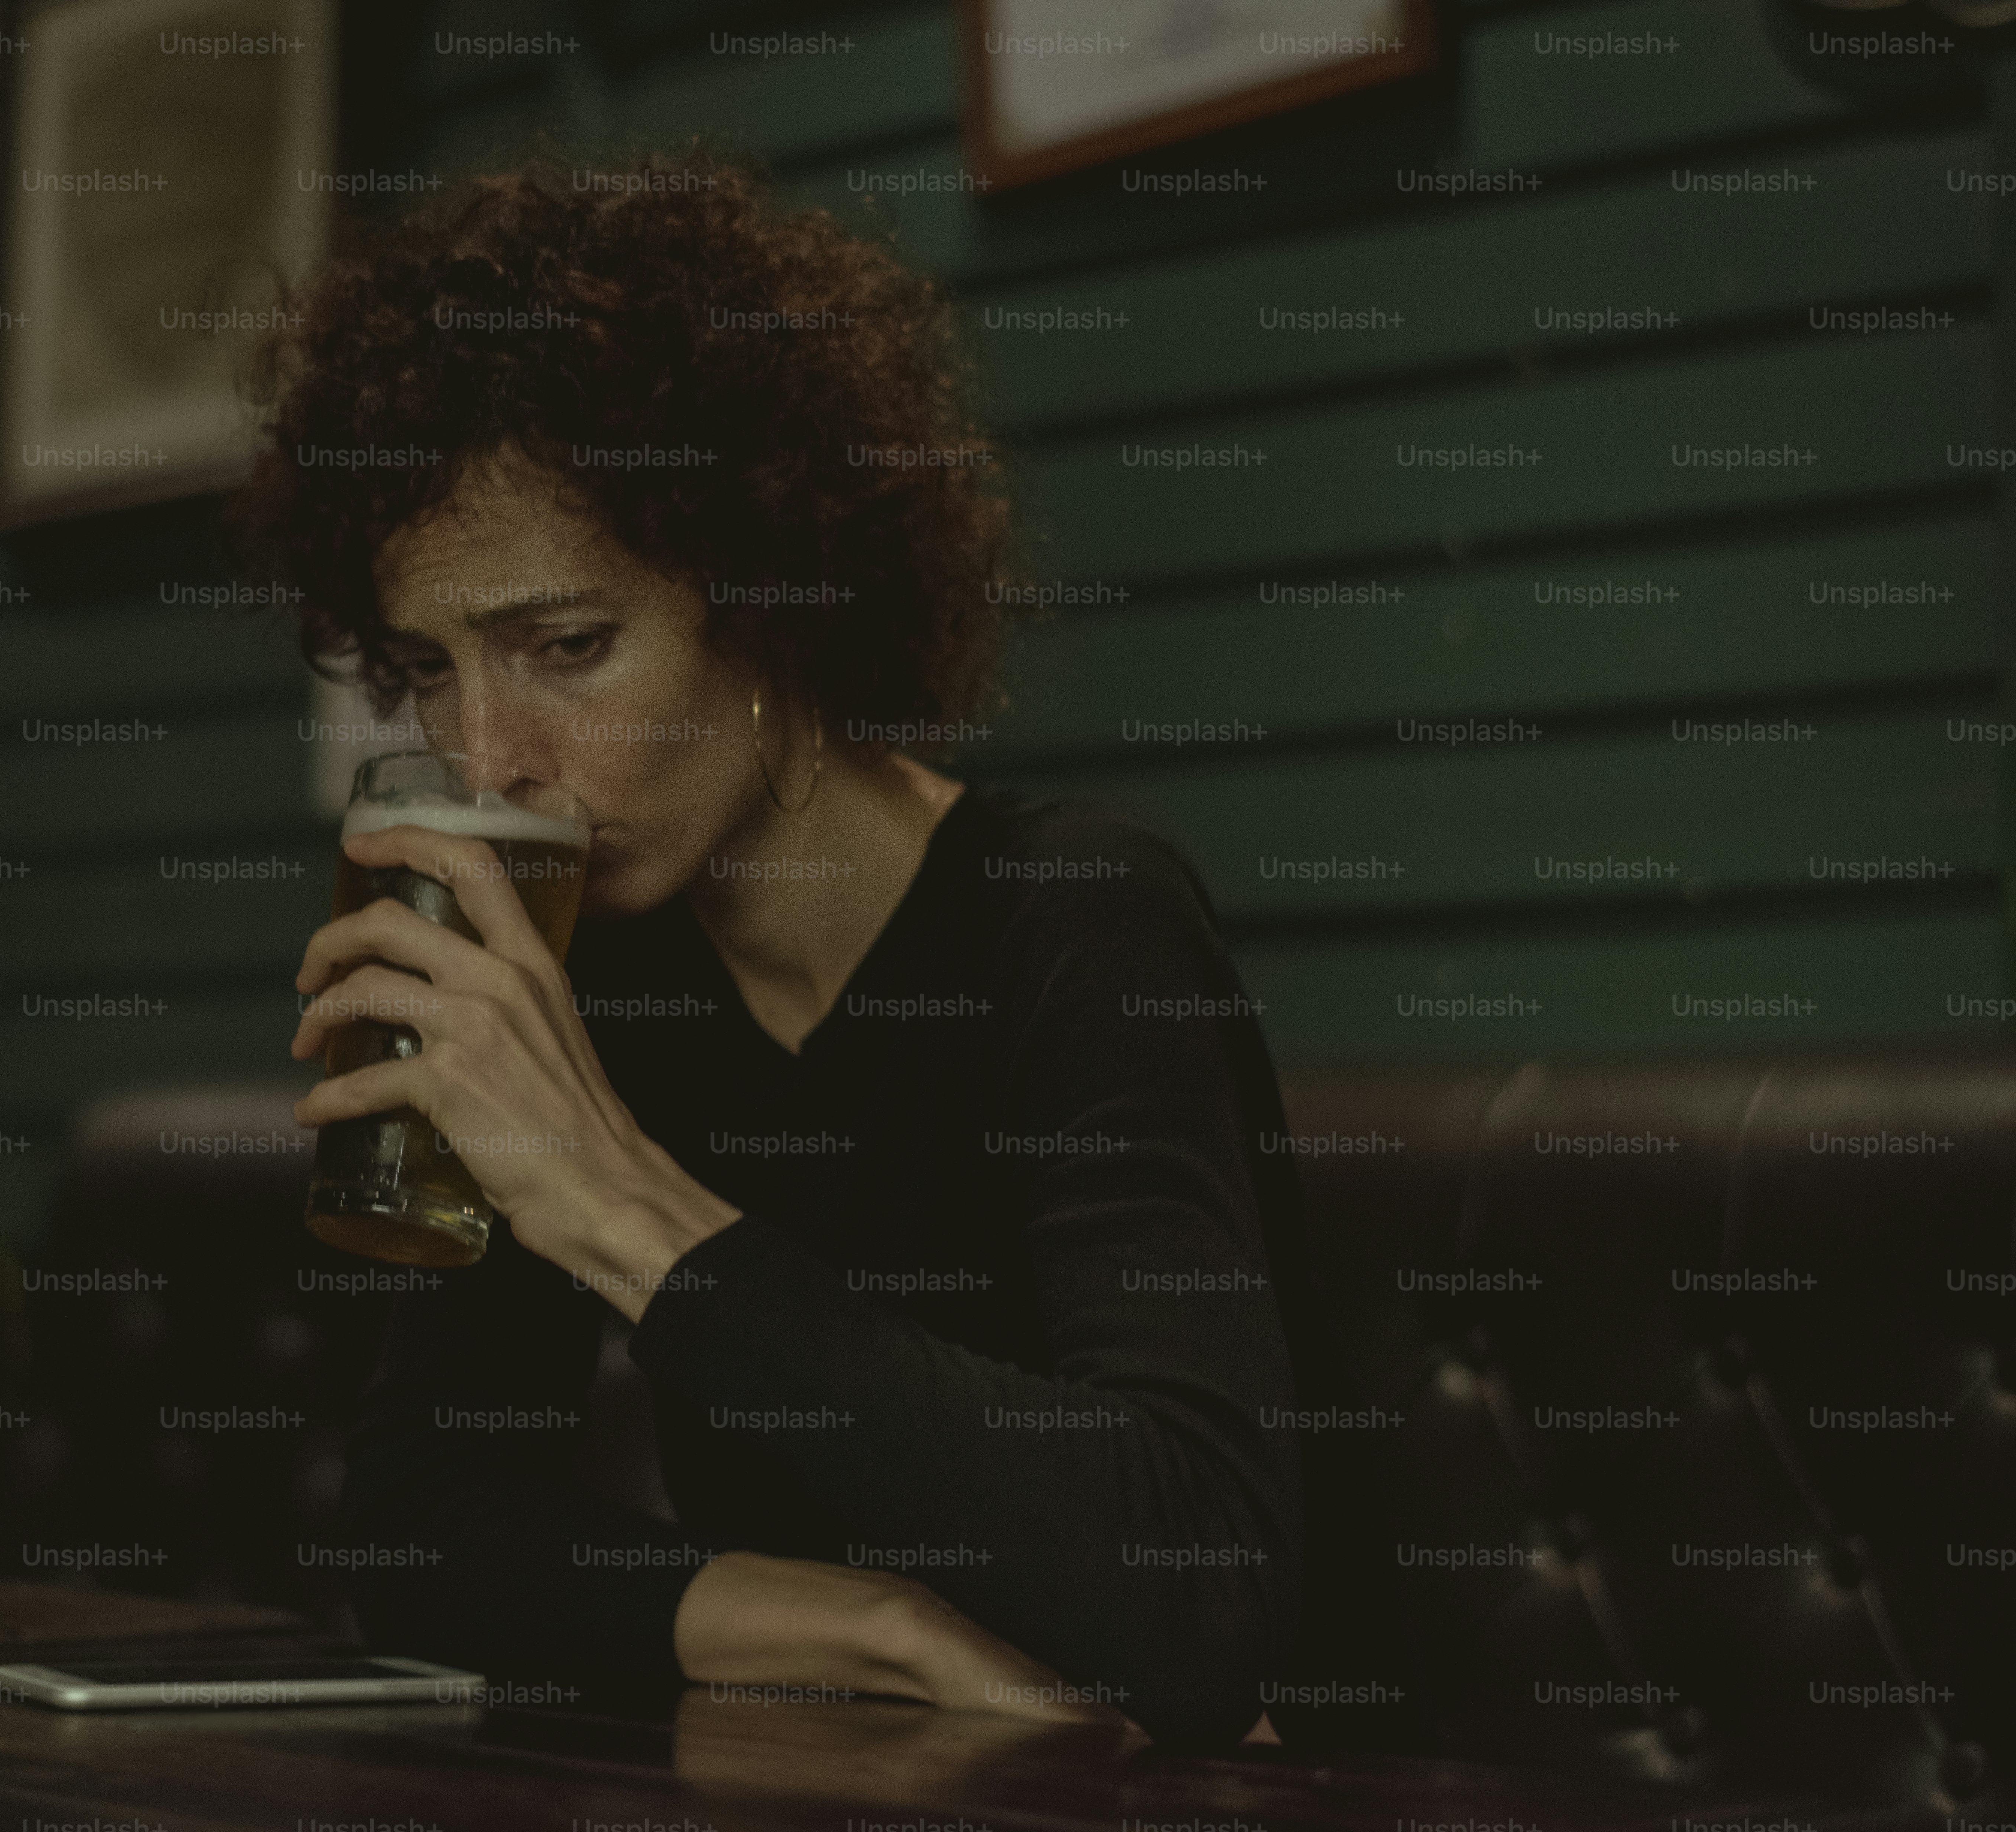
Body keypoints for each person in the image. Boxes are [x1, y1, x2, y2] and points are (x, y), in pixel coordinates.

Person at [232, 148, 1304, 1750]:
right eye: (428, 670)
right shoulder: (587, 967)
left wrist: (621, 1206)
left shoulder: (1075, 913)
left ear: (770, 601)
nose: (489, 755)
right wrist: (870, 1625)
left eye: (567, 645)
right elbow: (418, 1526)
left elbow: (1196, 1593)